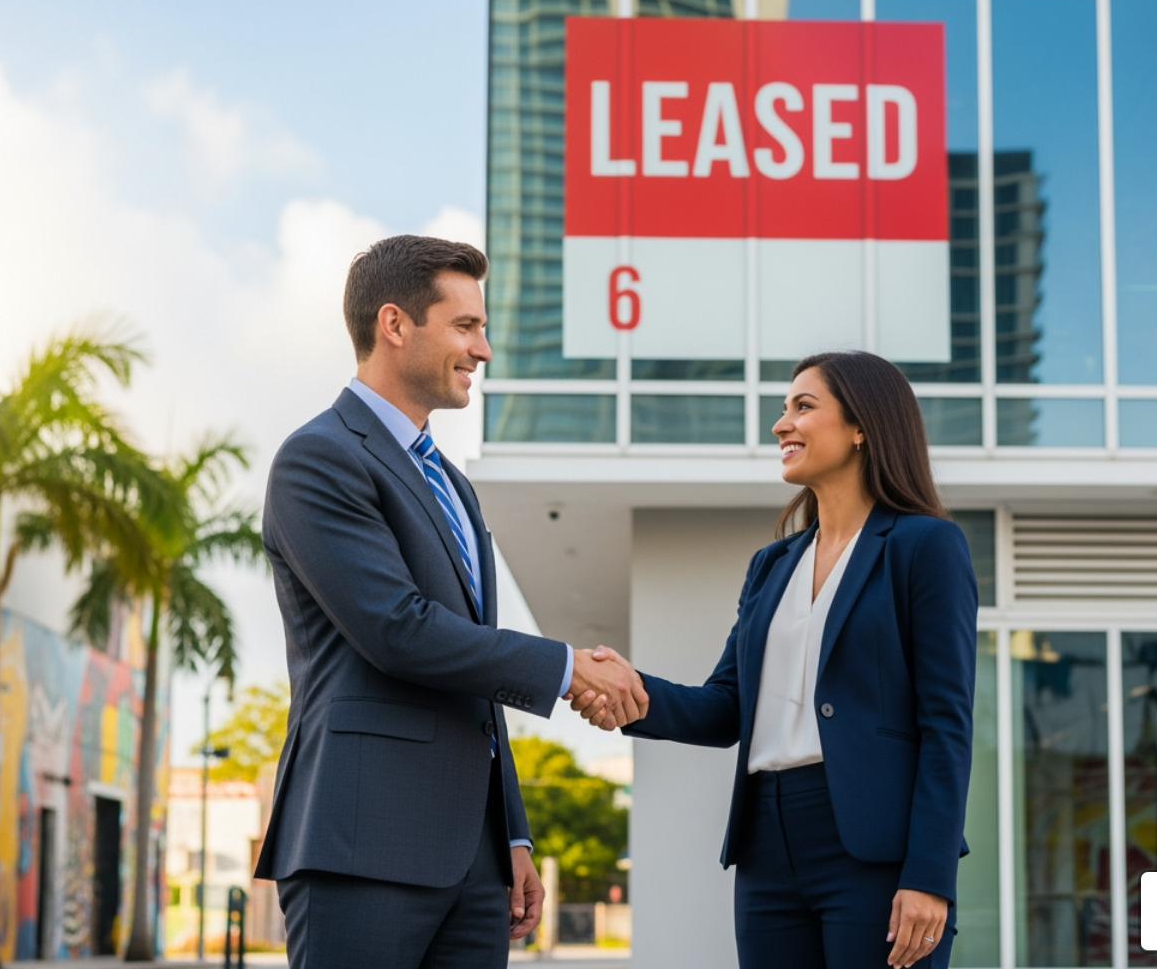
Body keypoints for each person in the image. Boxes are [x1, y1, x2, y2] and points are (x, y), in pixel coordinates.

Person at [253, 234, 647, 969]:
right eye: (466, 327)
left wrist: (512, 834)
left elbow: (474, 671)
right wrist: (567, 668)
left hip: (473, 860)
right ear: (395, 325)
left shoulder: (453, 486)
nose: (484, 349)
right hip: (361, 842)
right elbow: (397, 629)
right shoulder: (320, 457)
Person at [573, 350, 978, 969]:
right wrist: (633, 694)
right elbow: (726, 708)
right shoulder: (773, 565)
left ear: (862, 425)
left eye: (803, 407)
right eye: (782, 409)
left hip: (874, 848)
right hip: (767, 845)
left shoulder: (925, 546)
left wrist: (930, 874)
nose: (781, 425)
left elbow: (947, 723)